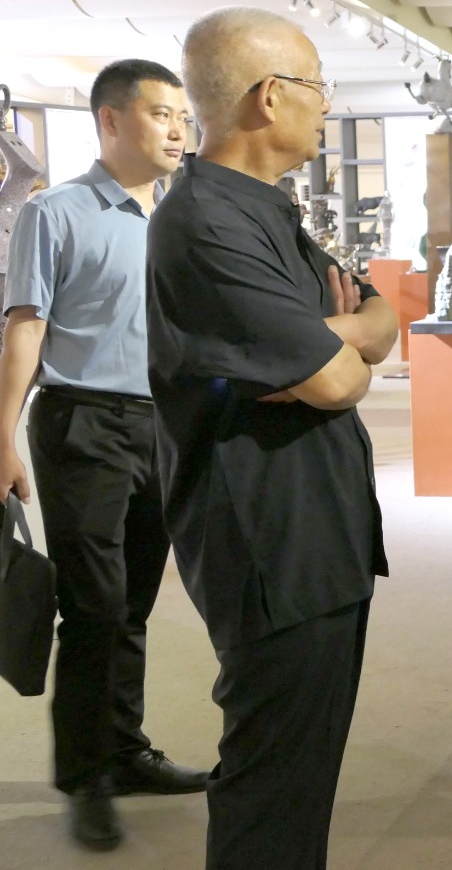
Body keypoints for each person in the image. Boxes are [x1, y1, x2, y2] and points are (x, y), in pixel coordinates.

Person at [146, 7, 396, 869]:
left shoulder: (267, 209)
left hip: (321, 530)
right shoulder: (204, 222)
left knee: (305, 772)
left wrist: (332, 338)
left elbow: (379, 322)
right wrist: (334, 349)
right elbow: (338, 379)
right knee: (271, 786)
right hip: (269, 543)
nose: (327, 105)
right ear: (269, 96)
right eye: (319, 87)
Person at [0, 59, 208, 851]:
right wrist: (2, 434)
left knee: (135, 602)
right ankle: (86, 775)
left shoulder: (181, 215)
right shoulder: (55, 212)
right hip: (83, 422)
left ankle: (124, 751)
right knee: (95, 604)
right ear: (111, 120)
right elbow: (26, 326)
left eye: (183, 116)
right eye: (161, 114)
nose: (177, 130)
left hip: (166, 425)